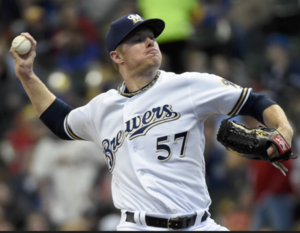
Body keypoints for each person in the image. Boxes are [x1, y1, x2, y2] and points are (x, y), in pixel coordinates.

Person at [10, 13, 293, 231]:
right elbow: (60, 122)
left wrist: (284, 129)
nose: (149, 42)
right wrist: (27, 76)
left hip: (200, 223)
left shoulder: (189, 85)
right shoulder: (102, 108)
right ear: (116, 56)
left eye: (151, 36)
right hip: (137, 225)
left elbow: (256, 102)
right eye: (137, 39)